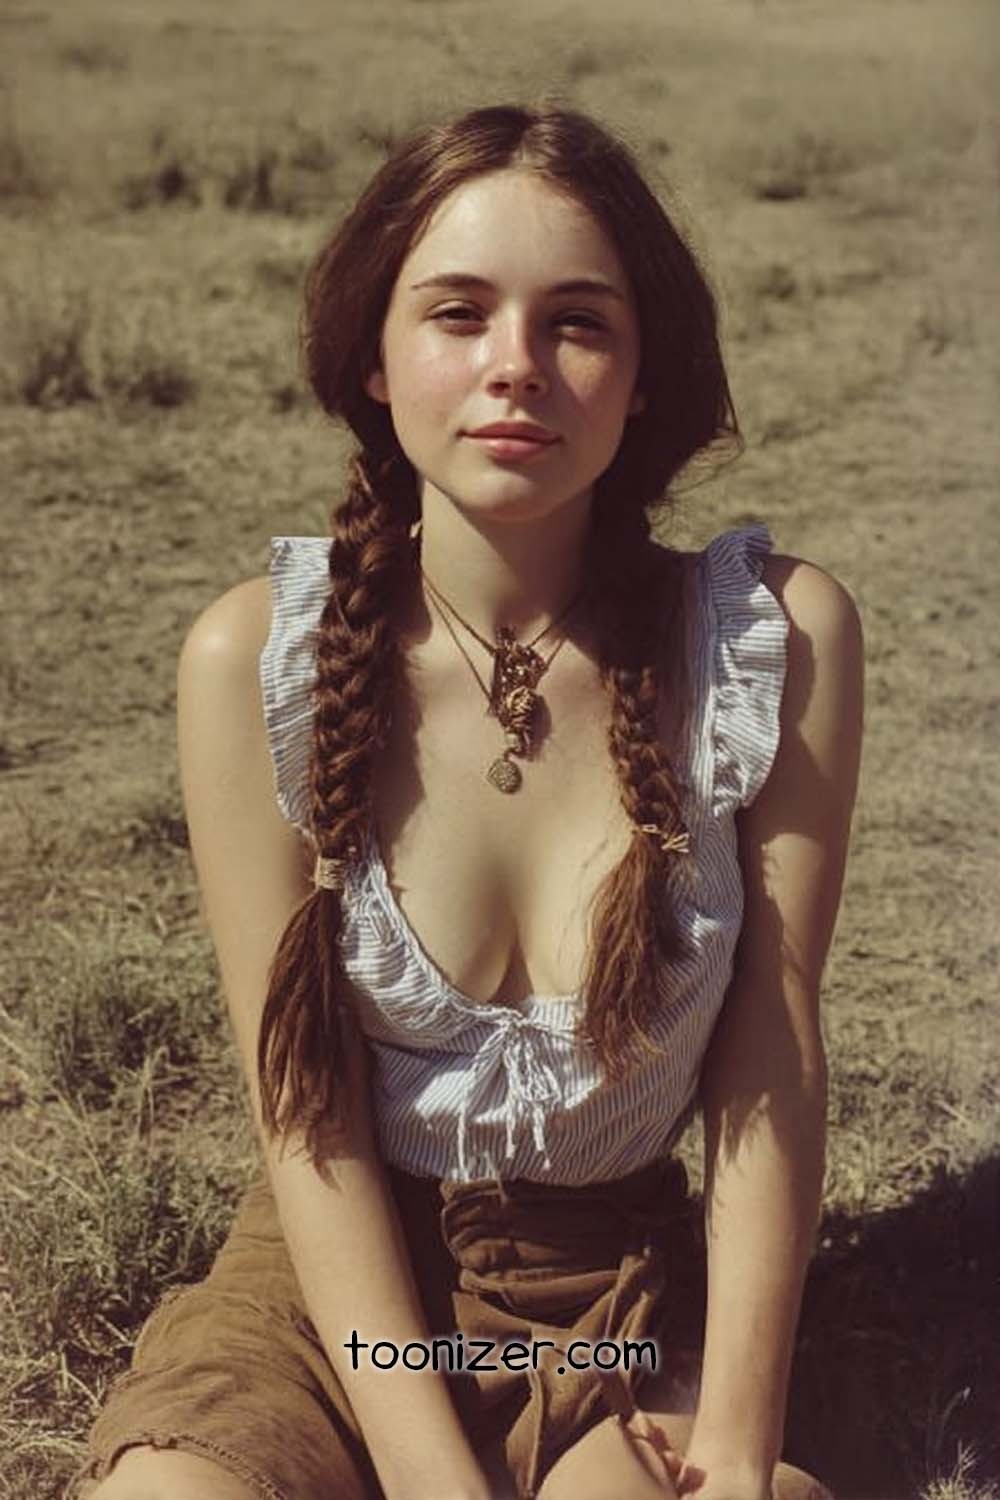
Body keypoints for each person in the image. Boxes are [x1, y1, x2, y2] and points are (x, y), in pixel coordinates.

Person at [73, 104, 863, 1500]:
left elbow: (769, 1046)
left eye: (577, 323)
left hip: (610, 1300)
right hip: (340, 1290)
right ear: (374, 360)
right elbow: (300, 1114)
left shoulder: (766, 639)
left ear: (642, 374)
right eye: (456, 313)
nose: (517, 369)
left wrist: (741, 1432)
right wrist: (431, 1470)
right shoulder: (254, 660)